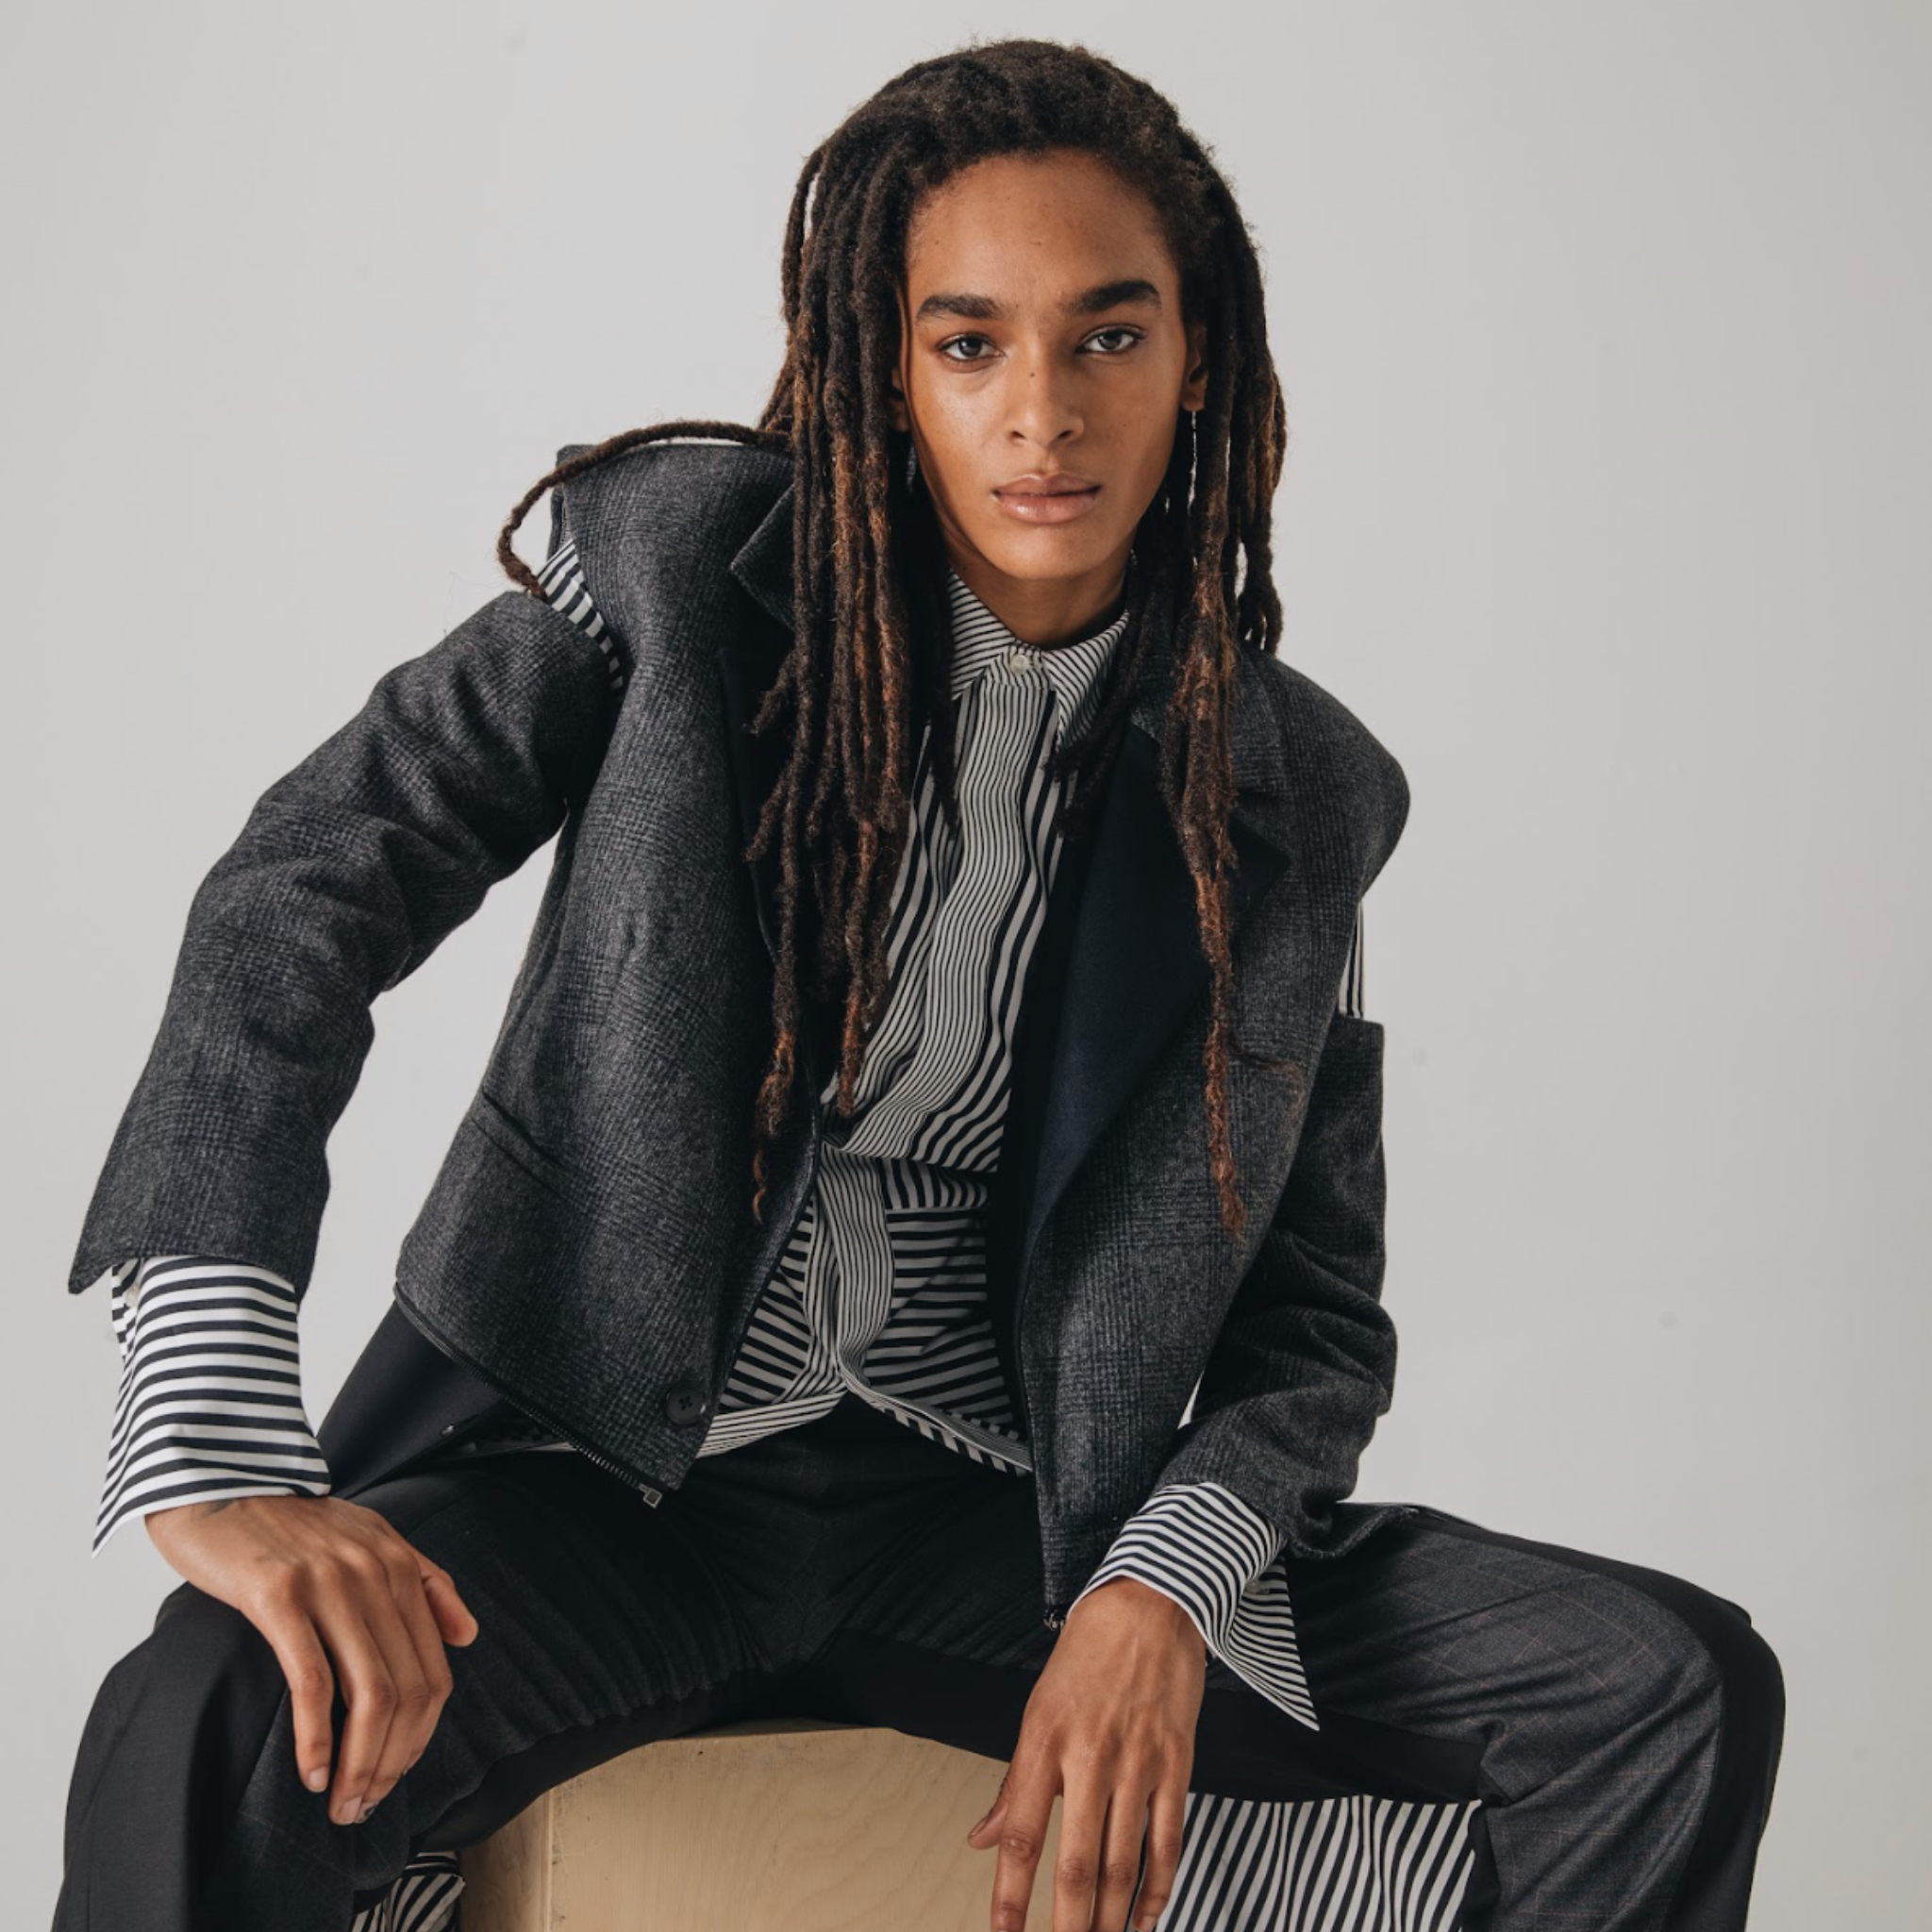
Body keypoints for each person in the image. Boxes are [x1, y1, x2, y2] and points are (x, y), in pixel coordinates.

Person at [52, 35, 1784, 1932]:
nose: (1044, 411)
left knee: (1658, 1689)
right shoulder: (671, 576)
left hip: (1002, 1532)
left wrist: (1157, 1585)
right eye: (971, 342)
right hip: (596, 1484)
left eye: (1108, 335)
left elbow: (1310, 1322)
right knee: (221, 1713)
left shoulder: (1297, 793)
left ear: (1200, 356)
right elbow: (303, 892)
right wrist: (215, 1436)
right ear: (889, 365)